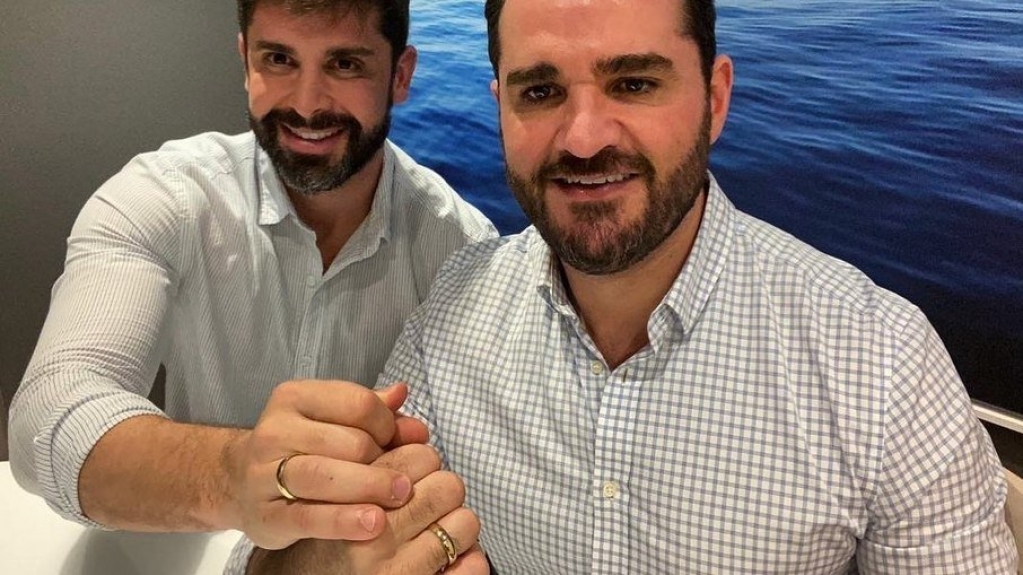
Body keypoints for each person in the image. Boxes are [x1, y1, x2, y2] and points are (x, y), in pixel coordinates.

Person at [236, 0, 1019, 572]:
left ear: (715, 98)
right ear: (500, 107)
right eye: (540, 91)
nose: (583, 138)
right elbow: (335, 549)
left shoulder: (882, 366)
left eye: (634, 83)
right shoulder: (453, 310)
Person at [9, 0, 495, 567]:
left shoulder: (461, 248)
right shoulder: (166, 196)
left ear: (400, 75)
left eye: (345, 64)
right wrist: (232, 475)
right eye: (279, 59)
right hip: (184, 547)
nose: (307, 104)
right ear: (245, 60)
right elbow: (49, 415)